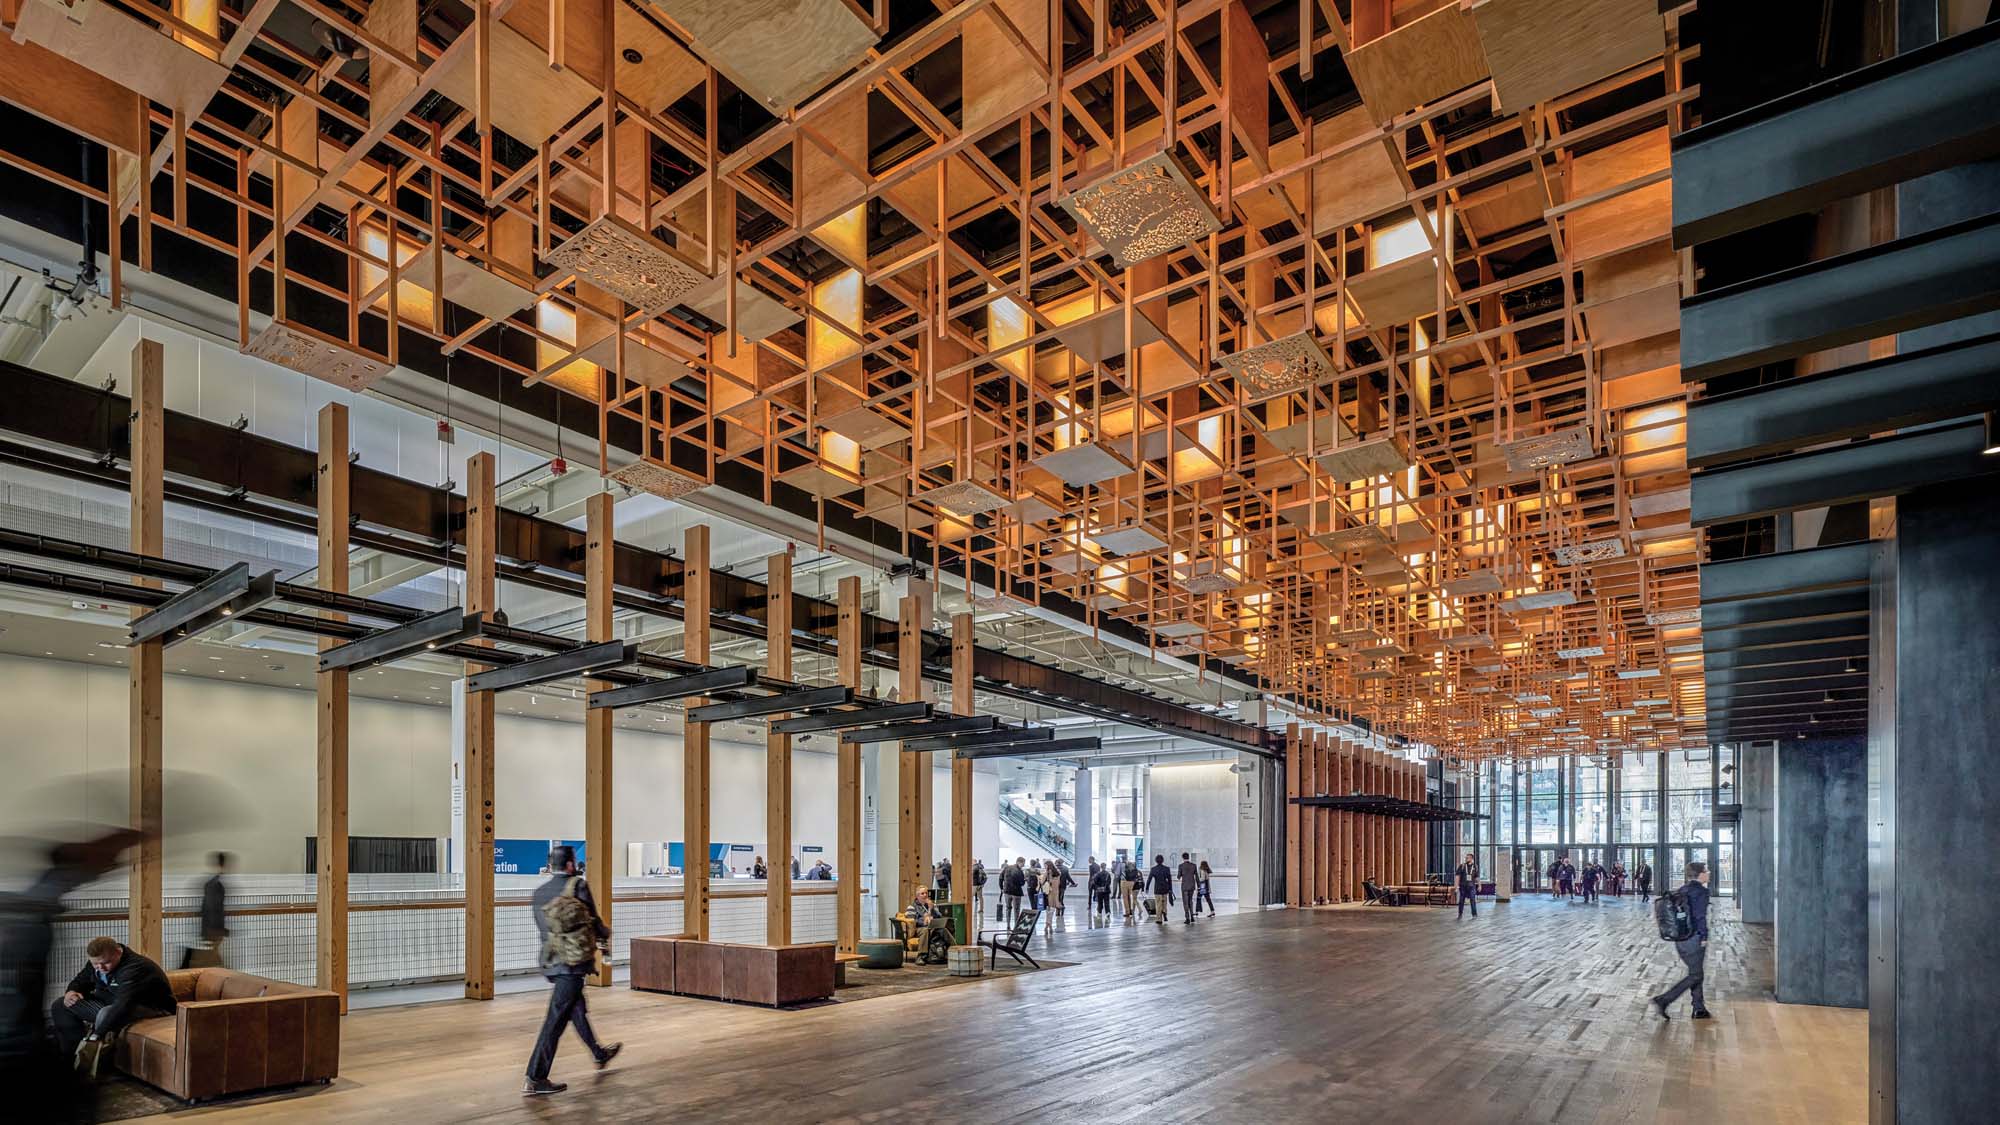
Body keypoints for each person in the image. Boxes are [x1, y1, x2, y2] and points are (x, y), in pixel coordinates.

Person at [525, 846, 620, 1096]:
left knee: (576, 1008)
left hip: (552, 963)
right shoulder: (577, 886)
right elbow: (593, 920)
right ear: (569, 865)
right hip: (573, 964)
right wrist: (605, 934)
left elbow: (543, 930)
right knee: (554, 1020)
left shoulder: (539, 893)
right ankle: (535, 1076)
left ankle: (599, 1054)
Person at [50, 936, 177, 1071]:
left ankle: (97, 1065)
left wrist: (96, 1035)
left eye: (106, 963)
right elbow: (82, 979)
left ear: (118, 952)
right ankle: (74, 1056)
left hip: (152, 1008)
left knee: (106, 1014)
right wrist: (72, 991)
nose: (100, 967)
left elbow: (123, 1004)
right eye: (95, 964)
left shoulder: (134, 967)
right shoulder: (98, 962)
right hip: (112, 1002)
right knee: (61, 1005)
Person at [1651, 861, 1713, 1021]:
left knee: (1696, 972)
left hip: (1681, 938)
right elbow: (1700, 917)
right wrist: (1704, 936)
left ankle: (1699, 1008)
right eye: (1706, 870)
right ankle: (1664, 999)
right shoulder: (1701, 892)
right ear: (1700, 874)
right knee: (1696, 975)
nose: (1709, 872)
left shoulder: (1683, 889)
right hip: (1694, 939)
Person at [194, 850, 231, 968]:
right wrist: (219, 929)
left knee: (212, 957)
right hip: (214, 929)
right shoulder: (217, 884)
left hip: (209, 928)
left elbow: (206, 907)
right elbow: (213, 907)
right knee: (213, 959)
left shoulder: (211, 883)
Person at [904, 888, 953, 961]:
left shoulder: (932, 905)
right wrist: (923, 921)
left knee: (943, 930)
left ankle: (954, 950)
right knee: (925, 930)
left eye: (926, 893)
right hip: (919, 928)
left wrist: (932, 909)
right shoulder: (912, 907)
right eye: (922, 893)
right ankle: (921, 956)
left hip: (932, 926)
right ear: (917, 896)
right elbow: (911, 920)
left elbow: (939, 916)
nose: (925, 895)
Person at [1146, 855, 1173, 926]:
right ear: (1162, 860)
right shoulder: (1167, 869)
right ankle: (1164, 911)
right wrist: (1170, 889)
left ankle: (1159, 919)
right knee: (1164, 903)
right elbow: (1170, 880)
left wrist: (1147, 887)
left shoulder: (1153, 869)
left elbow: (1149, 879)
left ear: (1156, 861)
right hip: (1165, 889)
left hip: (1157, 889)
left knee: (1158, 904)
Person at [1041, 861, 1065, 934]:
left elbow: (1042, 882)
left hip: (1049, 893)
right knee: (1052, 909)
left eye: (1045, 866)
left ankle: (1048, 924)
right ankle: (1049, 924)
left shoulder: (1047, 873)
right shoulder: (1058, 873)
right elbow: (1059, 883)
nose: (1045, 867)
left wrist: (1040, 878)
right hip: (1056, 892)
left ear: (1048, 866)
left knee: (1048, 910)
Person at [1000, 857, 1026, 924]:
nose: (1023, 865)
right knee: (1016, 909)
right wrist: (1025, 880)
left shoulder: (1007, 868)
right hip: (1016, 892)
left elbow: (1000, 877)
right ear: (1019, 862)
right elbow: (1022, 883)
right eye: (1023, 863)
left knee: (1008, 908)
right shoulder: (1020, 871)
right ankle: (1016, 924)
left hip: (1007, 891)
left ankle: (1008, 924)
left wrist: (1002, 888)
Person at [1455, 853, 1480, 919]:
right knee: (1461, 900)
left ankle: (1474, 914)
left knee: (1472, 899)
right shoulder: (1462, 866)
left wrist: (1479, 885)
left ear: (1472, 858)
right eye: (1466, 857)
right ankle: (1460, 914)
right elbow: (1457, 876)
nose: (1466, 859)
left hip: (1472, 886)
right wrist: (1456, 886)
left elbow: (1477, 877)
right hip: (1463, 886)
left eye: (1468, 858)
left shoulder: (1475, 866)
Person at [1176, 853, 1199, 924]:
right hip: (1192, 886)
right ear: (1189, 857)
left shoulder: (1181, 866)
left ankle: (1187, 918)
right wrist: (1199, 886)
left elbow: (1178, 876)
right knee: (1190, 901)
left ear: (1183, 858)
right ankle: (1192, 917)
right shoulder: (1194, 865)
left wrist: (1180, 875)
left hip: (1185, 887)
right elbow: (1197, 877)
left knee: (1185, 902)